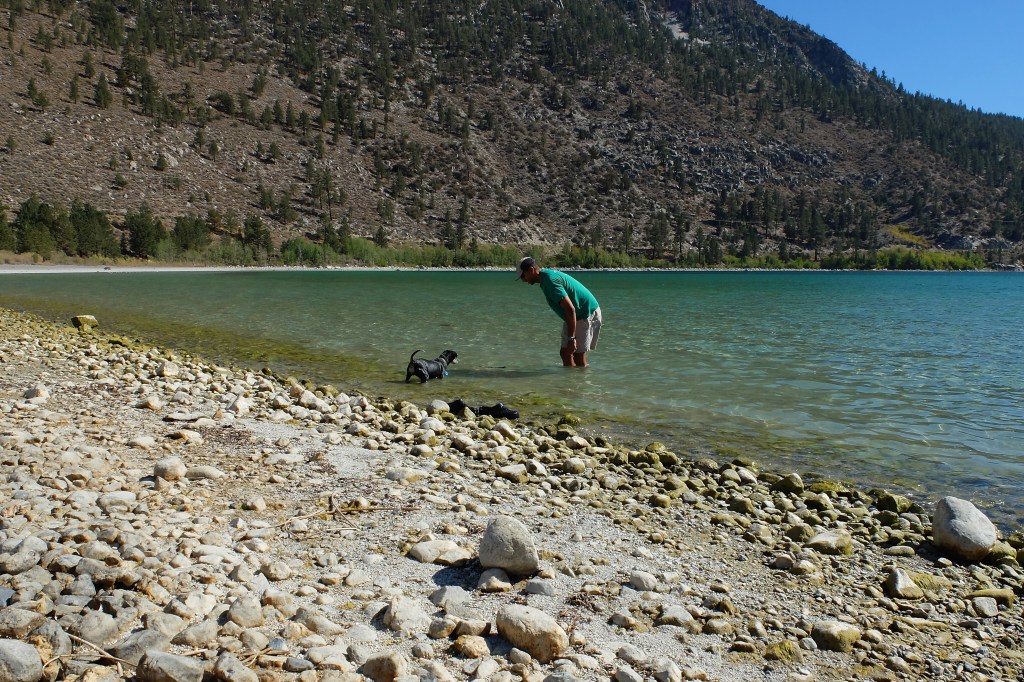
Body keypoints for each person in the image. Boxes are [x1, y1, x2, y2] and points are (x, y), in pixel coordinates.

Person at [516, 256, 602, 367]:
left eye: (523, 276)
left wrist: (572, 338)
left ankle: (582, 381)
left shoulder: (550, 280)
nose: (523, 280)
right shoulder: (545, 279)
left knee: (578, 356)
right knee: (565, 353)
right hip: (573, 316)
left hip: (585, 313)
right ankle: (570, 382)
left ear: (531, 270)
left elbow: (570, 309)